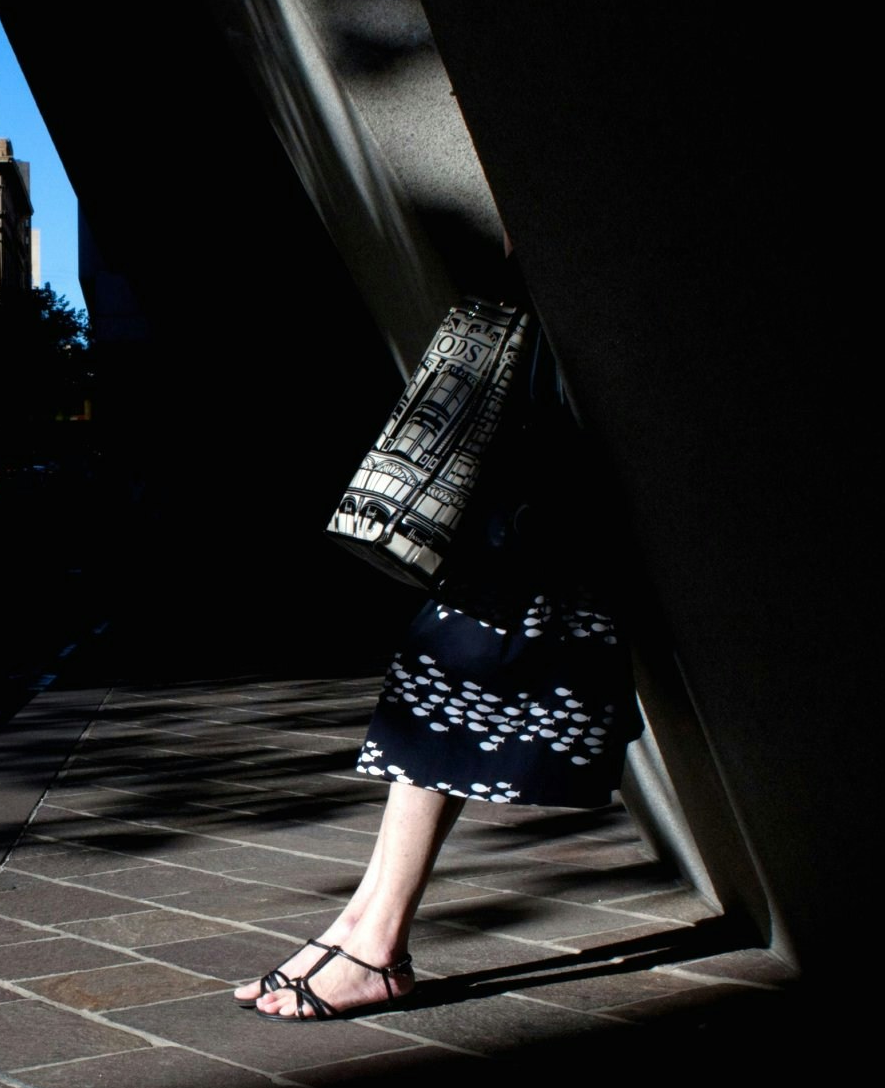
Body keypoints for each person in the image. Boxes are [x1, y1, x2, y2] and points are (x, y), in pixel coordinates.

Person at [240, 321, 637, 1021]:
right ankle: (361, 928)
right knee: (441, 679)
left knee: (450, 672)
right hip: (546, 446)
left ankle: (377, 941)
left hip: (563, 466)